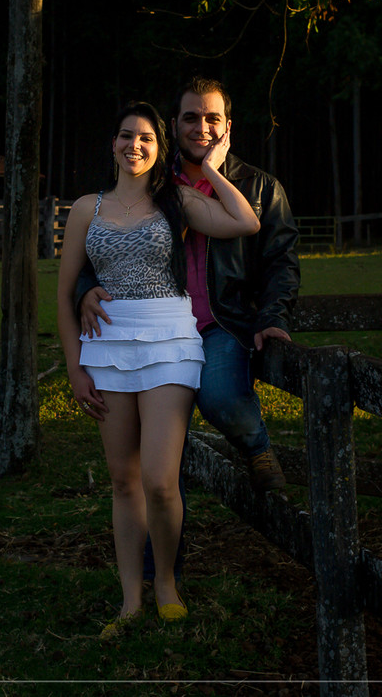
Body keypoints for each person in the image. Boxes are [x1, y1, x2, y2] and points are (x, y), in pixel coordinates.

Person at [77, 77, 301, 580]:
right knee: (159, 467)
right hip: (156, 332)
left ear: (228, 126)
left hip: (220, 323)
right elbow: (104, 242)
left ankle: (256, 447)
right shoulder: (154, 179)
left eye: (212, 118)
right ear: (173, 124)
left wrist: (272, 317)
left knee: (220, 396)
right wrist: (84, 289)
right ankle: (160, 574)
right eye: (190, 117)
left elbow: (280, 262)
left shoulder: (261, 187)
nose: (201, 127)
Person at [57, 101, 260, 640]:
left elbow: (246, 221)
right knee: (124, 481)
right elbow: (64, 293)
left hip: (169, 341)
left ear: (158, 146)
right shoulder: (86, 209)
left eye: (146, 138)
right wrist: (75, 368)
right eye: (126, 136)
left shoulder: (177, 200)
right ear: (113, 144)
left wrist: (212, 166)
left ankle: (166, 582)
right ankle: (130, 600)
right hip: (106, 347)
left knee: (160, 481)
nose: (135, 145)